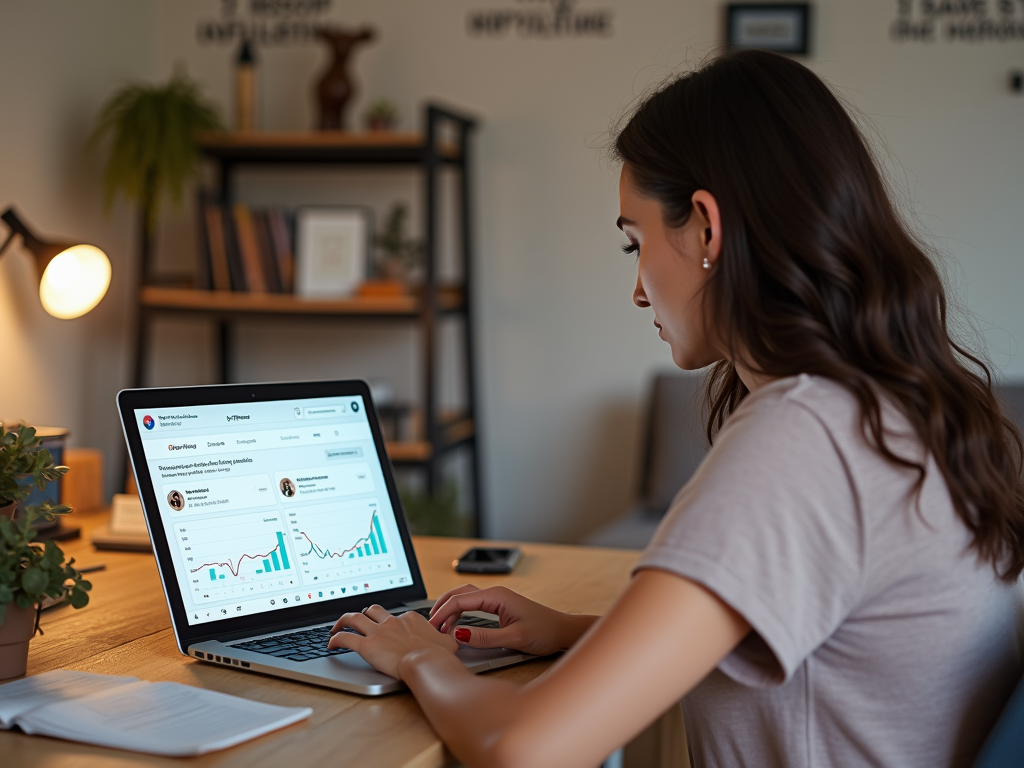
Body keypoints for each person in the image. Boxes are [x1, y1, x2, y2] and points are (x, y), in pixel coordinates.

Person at [326, 50, 1024, 768]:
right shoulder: (900, 408)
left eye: (637, 242)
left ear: (707, 229)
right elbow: (838, 642)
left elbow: (522, 749)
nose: (636, 289)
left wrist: (417, 656)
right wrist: (579, 632)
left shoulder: (806, 438)